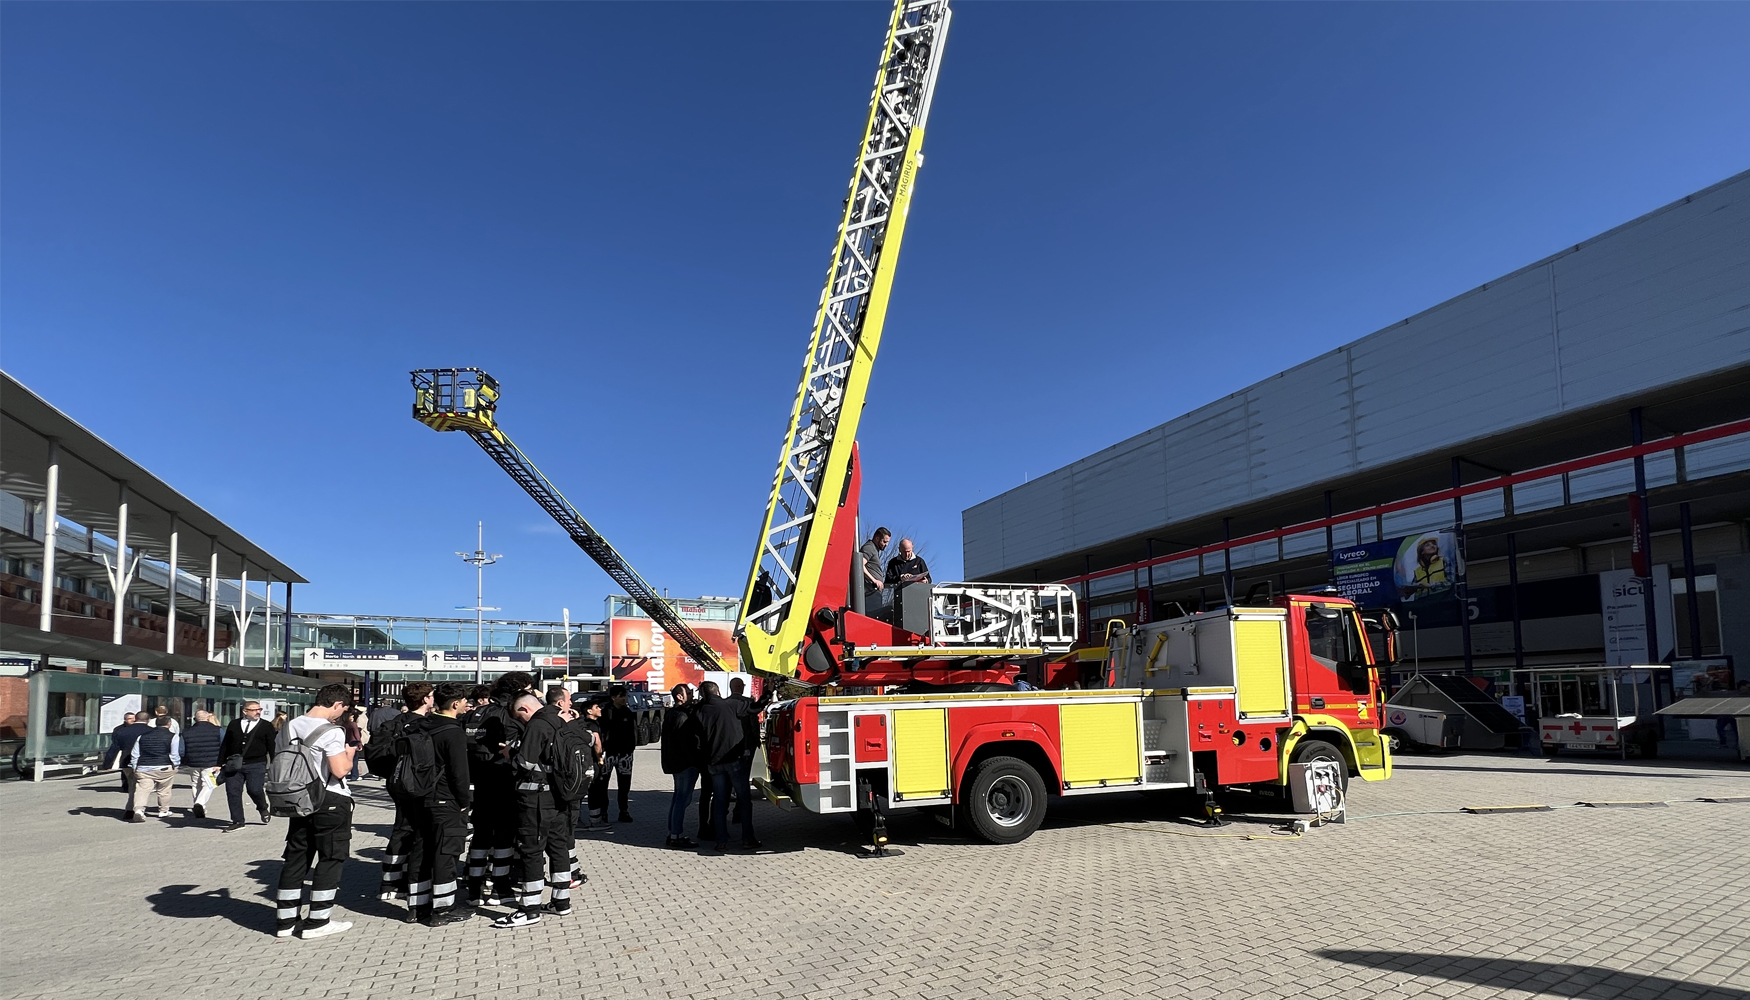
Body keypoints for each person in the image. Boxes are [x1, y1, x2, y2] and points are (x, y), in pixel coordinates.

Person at [273, 683, 357, 939]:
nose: (340, 714)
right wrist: (350, 752)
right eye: (342, 709)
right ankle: (318, 920)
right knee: (331, 857)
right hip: (328, 799)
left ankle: (285, 921)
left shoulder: (289, 726)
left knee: (297, 858)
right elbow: (340, 770)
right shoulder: (332, 731)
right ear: (337, 705)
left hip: (297, 799)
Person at [494, 693, 572, 929]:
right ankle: (561, 901)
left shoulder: (538, 724)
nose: (523, 722)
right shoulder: (563, 718)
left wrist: (510, 754)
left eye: (521, 717)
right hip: (562, 794)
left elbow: (525, 763)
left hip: (536, 798)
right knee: (559, 847)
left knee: (532, 850)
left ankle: (529, 909)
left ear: (526, 709)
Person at [406, 682, 474, 927]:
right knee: (446, 853)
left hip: (419, 796)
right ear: (455, 704)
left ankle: (417, 907)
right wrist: (464, 801)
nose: (468, 704)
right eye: (465, 701)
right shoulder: (453, 731)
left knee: (421, 849)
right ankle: (443, 909)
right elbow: (459, 773)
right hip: (445, 799)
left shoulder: (419, 724)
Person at [466, 671, 534, 906]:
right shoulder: (510, 714)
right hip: (505, 782)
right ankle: (500, 888)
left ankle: (474, 889)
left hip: (480, 782)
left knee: (481, 835)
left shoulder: (477, 713)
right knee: (504, 836)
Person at [376, 682, 434, 902]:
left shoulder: (395, 723)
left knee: (401, 827)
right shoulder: (427, 725)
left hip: (396, 781)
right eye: (430, 696)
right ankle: (414, 878)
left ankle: (389, 882)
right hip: (419, 784)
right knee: (419, 830)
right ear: (426, 699)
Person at [693, 681, 765, 853]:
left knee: (719, 801)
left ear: (703, 695)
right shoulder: (730, 705)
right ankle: (748, 839)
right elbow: (755, 709)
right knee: (744, 800)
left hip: (714, 763)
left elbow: (697, 742)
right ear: (718, 691)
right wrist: (767, 694)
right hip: (734, 760)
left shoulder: (699, 712)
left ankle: (721, 840)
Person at [219, 701, 277, 832]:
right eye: (254, 710)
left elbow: (272, 746)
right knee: (233, 792)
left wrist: (275, 763)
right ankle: (238, 821)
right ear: (245, 711)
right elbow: (226, 744)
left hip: (256, 764)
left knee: (254, 789)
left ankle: (262, 807)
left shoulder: (266, 726)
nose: (258, 712)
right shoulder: (234, 724)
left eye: (259, 709)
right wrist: (219, 763)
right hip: (234, 764)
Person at [661, 684, 700, 849]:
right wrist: (694, 761)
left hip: (675, 763)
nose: (691, 695)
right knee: (683, 799)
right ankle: (676, 835)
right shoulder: (681, 716)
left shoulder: (672, 714)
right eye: (688, 693)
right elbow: (685, 744)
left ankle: (673, 833)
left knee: (678, 798)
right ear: (679, 696)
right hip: (684, 764)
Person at [726, 677, 763, 850]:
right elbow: (753, 724)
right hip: (745, 748)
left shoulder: (724, 704)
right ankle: (739, 814)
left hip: (726, 752)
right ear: (740, 687)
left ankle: (721, 823)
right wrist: (756, 743)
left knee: (724, 787)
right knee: (743, 784)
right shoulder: (747, 703)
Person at [594, 685, 638, 823]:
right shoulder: (605, 713)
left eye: (625, 696)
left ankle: (623, 811)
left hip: (625, 754)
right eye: (621, 696)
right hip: (608, 753)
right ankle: (603, 811)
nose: (624, 699)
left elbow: (633, 733)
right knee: (602, 784)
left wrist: (630, 749)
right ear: (613, 698)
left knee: (624, 784)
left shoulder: (628, 713)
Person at [128, 715, 182, 822]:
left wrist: (134, 766)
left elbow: (135, 753)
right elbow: (174, 754)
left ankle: (139, 810)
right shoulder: (173, 736)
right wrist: (176, 765)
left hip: (144, 767)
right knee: (164, 790)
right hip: (164, 767)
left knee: (142, 790)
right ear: (169, 724)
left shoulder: (142, 736)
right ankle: (163, 810)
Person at [180, 709, 225, 820]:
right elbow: (224, 746)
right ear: (208, 718)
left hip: (193, 762)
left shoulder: (186, 731)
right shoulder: (218, 730)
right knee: (210, 783)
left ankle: (199, 805)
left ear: (195, 719)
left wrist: (185, 759)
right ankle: (199, 803)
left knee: (195, 784)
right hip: (212, 762)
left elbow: (181, 750)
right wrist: (222, 761)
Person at [105, 712, 151, 808]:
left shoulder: (121, 731)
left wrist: (107, 763)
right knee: (143, 786)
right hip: (146, 762)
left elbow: (114, 749)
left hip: (127, 761)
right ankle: (138, 808)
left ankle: (130, 808)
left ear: (136, 719)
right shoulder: (151, 731)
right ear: (148, 720)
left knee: (132, 785)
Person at [860, 526, 891, 604]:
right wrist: (874, 580)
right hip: (869, 592)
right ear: (877, 539)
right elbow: (859, 565)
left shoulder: (874, 549)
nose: (887, 544)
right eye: (884, 541)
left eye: (888, 542)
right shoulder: (869, 548)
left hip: (873, 591)